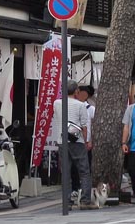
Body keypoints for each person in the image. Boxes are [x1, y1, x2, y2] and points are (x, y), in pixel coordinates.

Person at [54, 82, 98, 210]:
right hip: (77, 141)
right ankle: (85, 200)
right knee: (84, 171)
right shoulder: (80, 105)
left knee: (66, 172)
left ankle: (66, 202)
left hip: (62, 141)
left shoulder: (57, 103)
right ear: (77, 92)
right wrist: (85, 141)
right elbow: (84, 126)